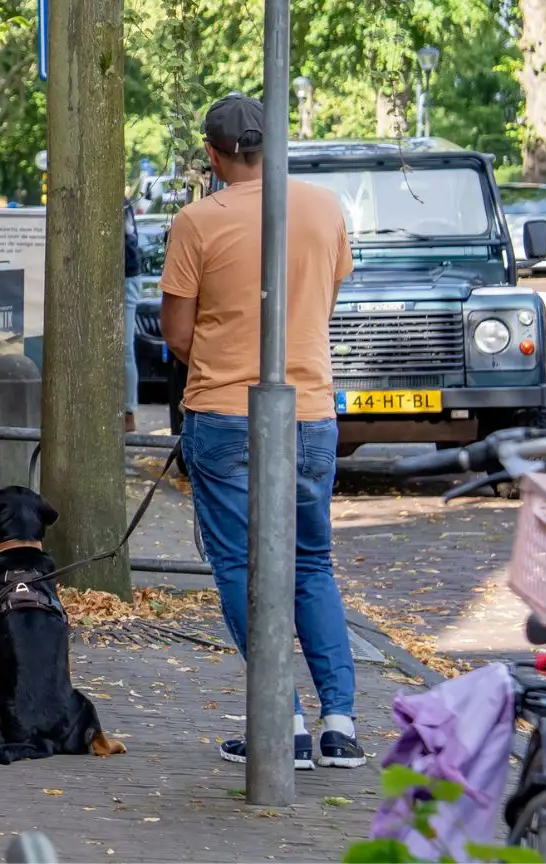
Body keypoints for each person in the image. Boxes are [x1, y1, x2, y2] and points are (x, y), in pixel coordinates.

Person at [158, 93, 363, 770]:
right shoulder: (324, 208)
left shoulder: (196, 221)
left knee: (244, 568)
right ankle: (340, 723)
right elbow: (323, 301)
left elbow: (178, 331)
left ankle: (283, 722)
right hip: (308, 410)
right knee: (310, 562)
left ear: (213, 157)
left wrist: (221, 361)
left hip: (223, 414)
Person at [122, 202, 143, 433]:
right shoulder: (124, 204)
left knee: (124, 348)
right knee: (124, 348)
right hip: (128, 273)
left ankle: (128, 412)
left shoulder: (120, 205)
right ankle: (126, 411)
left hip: (126, 275)